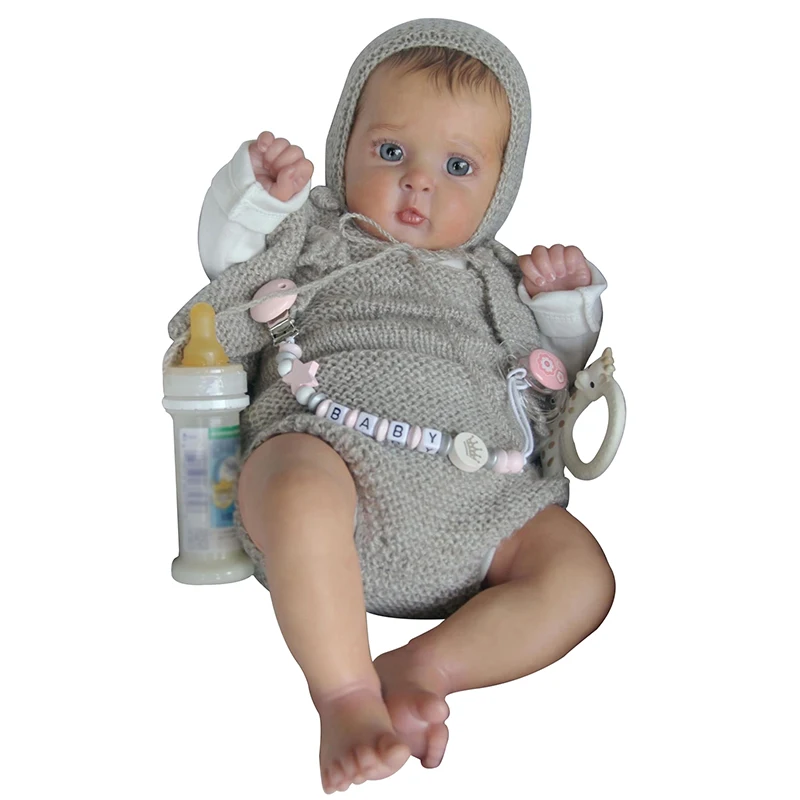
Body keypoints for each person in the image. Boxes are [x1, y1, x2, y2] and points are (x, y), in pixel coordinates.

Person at [168, 18, 616, 795]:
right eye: (389, 152)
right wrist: (256, 194)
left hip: (485, 500)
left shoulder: (499, 276)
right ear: (344, 145)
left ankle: (426, 666)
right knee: (294, 482)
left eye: (458, 166)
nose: (418, 182)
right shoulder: (314, 236)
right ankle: (345, 695)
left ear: (500, 187)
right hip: (334, 456)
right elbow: (231, 257)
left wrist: (565, 302)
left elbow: (551, 374)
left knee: (582, 575)